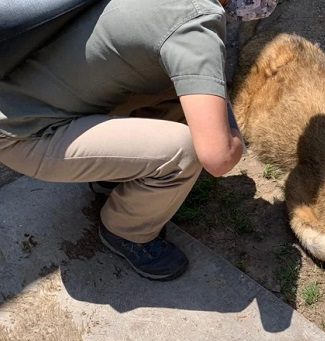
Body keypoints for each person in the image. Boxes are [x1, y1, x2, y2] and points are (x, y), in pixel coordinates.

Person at [0, 0, 276, 281]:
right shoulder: (198, 22)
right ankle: (126, 231)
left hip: (22, 96)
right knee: (187, 151)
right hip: (23, 136)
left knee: (178, 89)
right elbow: (218, 158)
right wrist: (233, 136)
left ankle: (114, 175)